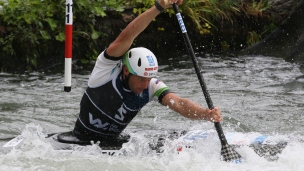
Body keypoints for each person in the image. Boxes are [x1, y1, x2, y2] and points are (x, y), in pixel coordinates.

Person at [72, 0, 222, 142]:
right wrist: (159, 7)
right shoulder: (105, 71)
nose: (145, 85)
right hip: (81, 140)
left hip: (113, 142)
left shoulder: (151, 85)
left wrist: (205, 114)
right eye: (141, 79)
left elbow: (178, 103)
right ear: (126, 71)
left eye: (148, 79)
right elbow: (128, 34)